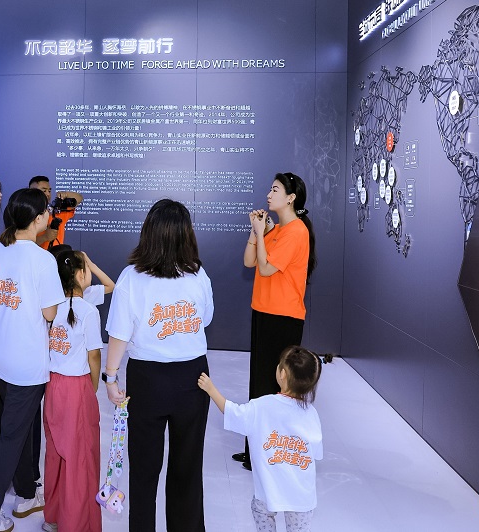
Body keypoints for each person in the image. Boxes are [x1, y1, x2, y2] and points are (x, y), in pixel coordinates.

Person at [103, 199, 214, 532]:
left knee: (144, 468)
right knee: (187, 467)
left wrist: (110, 378)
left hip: (147, 379)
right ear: (186, 234)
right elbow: (205, 319)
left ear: (148, 232)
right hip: (193, 378)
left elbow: (119, 334)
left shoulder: (131, 277)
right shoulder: (198, 274)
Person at [0, 188, 65, 532]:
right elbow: (50, 313)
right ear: (39, 218)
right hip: (27, 362)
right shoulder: (42, 260)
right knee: (12, 437)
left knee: (20, 428)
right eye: (47, 211)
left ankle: (26, 495)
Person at [198, 346, 323, 532]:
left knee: (260, 510)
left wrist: (211, 389)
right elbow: (316, 454)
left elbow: (232, 412)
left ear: (282, 374)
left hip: (269, 490)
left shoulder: (261, 407)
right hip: (301, 496)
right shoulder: (311, 414)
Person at [238, 172, 316, 471]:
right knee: (259, 384)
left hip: (283, 317)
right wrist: (256, 232)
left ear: (291, 198)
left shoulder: (296, 232)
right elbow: (249, 261)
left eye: (275, 190)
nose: (269, 195)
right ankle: (254, 452)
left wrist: (262, 233)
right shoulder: (278, 229)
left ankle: (268, 454)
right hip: (263, 311)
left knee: (276, 386)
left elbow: (267, 268)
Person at [42, 249, 104, 532]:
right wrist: (92, 387)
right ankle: (76, 523)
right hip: (77, 387)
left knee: (56, 453)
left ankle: (54, 515)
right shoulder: (88, 311)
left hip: (53, 386)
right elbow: (94, 356)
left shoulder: (52, 308)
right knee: (80, 458)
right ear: (80, 275)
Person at [29, 175, 83, 249]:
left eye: (49, 191)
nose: (48, 194)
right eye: (44, 191)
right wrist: (44, 237)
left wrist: (66, 194)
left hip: (57, 255)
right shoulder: (25, 214)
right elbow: (22, 243)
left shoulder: (57, 212)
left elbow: (79, 198)